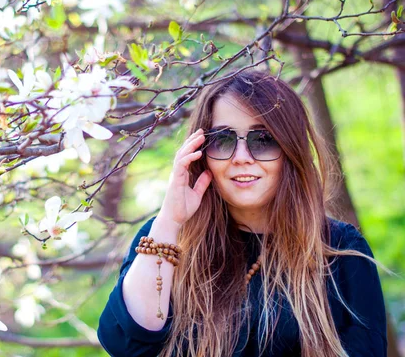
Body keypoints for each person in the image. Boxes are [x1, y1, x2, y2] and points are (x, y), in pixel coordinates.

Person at [97, 70, 387, 357]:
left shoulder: (339, 250)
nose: (241, 157)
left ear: (290, 149)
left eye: (262, 139)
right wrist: (170, 219)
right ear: (201, 151)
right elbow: (125, 343)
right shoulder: (166, 238)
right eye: (223, 139)